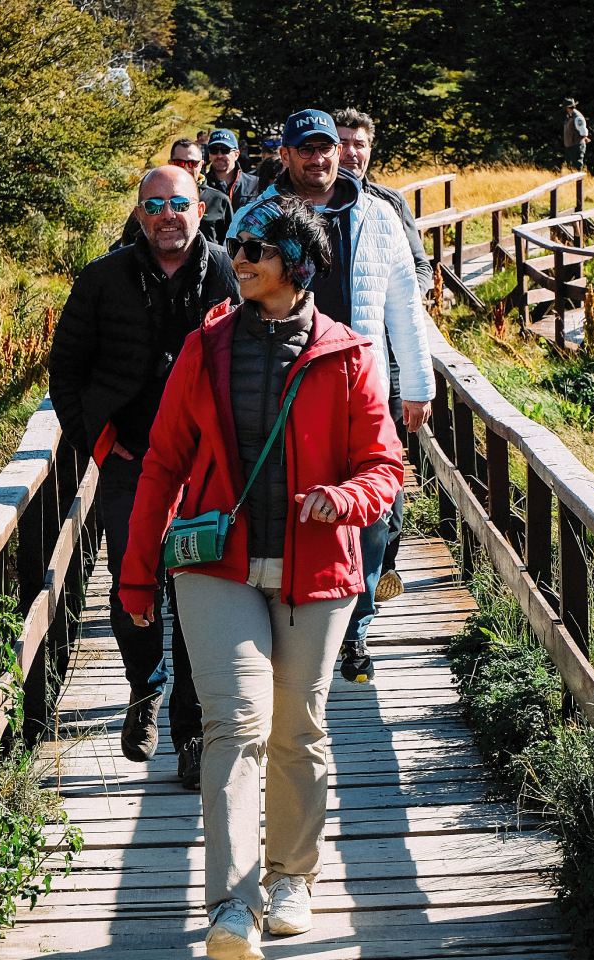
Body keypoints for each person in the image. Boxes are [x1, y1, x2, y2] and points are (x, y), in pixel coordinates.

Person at [120, 194, 405, 959]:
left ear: (298, 265)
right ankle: (234, 905)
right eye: (237, 243)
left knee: (298, 728)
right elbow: (163, 464)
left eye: (257, 247)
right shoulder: (205, 346)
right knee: (235, 726)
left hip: (319, 567)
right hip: (218, 563)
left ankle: (293, 879)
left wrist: (346, 498)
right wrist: (136, 577)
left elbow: (385, 466)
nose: (238, 256)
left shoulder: (348, 354)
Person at [48, 163, 239, 789]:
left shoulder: (226, 274)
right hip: (131, 462)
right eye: (154, 204)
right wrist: (97, 443)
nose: (167, 215)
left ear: (201, 210)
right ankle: (143, 688)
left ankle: (188, 732)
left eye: (178, 203)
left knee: (195, 592)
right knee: (134, 583)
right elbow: (67, 369)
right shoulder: (103, 278)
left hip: (203, 469)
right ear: (138, 214)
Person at [231, 109, 434, 691]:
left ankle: (356, 622)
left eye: (328, 148)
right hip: (277, 385)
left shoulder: (378, 215)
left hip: (360, 383)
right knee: (289, 504)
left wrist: (417, 388)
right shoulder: (257, 217)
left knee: (373, 512)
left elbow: (405, 307)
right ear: (287, 156)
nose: (320, 158)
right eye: (307, 149)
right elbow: (231, 298)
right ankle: (288, 623)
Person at [332, 107, 435, 675]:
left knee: (383, 505)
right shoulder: (306, 205)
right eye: (341, 142)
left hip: (383, 377)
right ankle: (342, 620)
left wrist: (415, 375)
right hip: (320, 380)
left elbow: (416, 275)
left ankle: (361, 618)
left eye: (359, 143)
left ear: (371, 149)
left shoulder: (388, 207)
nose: (350, 152)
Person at [116, 139, 234, 247]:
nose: (187, 168)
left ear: (201, 164)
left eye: (192, 163)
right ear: (170, 163)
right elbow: (127, 244)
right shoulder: (151, 199)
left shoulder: (219, 200)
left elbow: (231, 244)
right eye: (180, 163)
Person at [205, 129, 262, 211]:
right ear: (209, 154)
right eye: (214, 150)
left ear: (236, 155)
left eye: (225, 150)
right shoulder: (201, 186)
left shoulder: (255, 184)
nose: (219, 155)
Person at [561, 97, 590, 170]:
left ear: (567, 108)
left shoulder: (577, 117)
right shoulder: (571, 116)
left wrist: (583, 139)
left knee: (577, 168)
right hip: (572, 146)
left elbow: (583, 131)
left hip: (576, 146)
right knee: (571, 168)